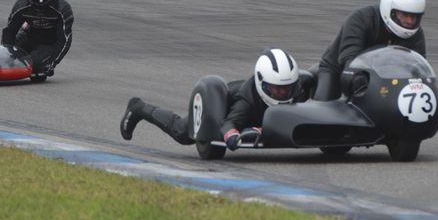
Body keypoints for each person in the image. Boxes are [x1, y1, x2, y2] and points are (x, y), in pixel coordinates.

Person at [120, 48, 308, 150]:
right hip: (223, 108)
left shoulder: (299, 87)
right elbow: (229, 124)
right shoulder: (246, 100)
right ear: (261, 83)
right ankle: (138, 107)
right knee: (182, 133)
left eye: (287, 88)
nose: (283, 94)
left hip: (257, 124)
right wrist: (232, 135)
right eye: (277, 89)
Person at [314, 0, 426, 101]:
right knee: (324, 107)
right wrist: (358, 77)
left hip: (386, 77)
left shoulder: (416, 34)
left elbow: (418, 68)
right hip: (339, 70)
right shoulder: (361, 19)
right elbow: (348, 58)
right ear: (389, 9)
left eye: (414, 17)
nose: (410, 21)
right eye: (404, 15)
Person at [0, 0, 73, 79]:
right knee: (2, 59)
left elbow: (64, 39)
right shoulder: (21, 5)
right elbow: (9, 31)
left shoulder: (62, 8)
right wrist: (7, 54)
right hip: (28, 37)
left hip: (48, 44)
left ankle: (38, 63)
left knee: (34, 65)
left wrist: (52, 63)